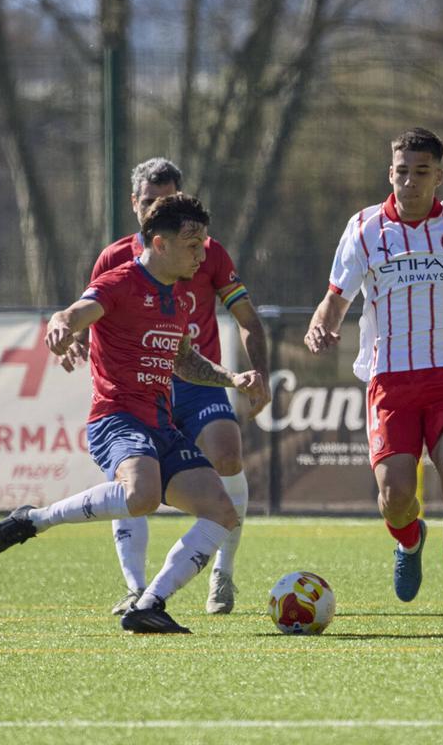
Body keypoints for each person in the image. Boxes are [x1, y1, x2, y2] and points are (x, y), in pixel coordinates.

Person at [0, 194, 265, 634]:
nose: (202, 253)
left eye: (204, 244)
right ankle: (32, 520)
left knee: (222, 512)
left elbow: (185, 361)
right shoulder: (121, 282)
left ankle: (149, 605)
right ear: (160, 243)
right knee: (142, 495)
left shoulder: (180, 299)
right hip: (116, 417)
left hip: (160, 423)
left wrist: (233, 378)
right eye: (193, 244)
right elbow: (76, 312)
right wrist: (61, 325)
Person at [304, 127, 443, 632]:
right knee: (395, 496)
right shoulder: (364, 228)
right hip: (391, 381)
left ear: (438, 176)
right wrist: (323, 325)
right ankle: (409, 538)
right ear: (390, 173)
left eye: (421, 172)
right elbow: (337, 295)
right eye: (401, 172)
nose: (409, 182)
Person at [61, 158, 270, 615]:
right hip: (133, 388)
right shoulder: (115, 260)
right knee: (135, 485)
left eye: (169, 198)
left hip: (195, 380)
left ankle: (223, 572)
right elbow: (86, 309)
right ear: (136, 206)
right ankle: (138, 589)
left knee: (229, 453)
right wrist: (72, 337)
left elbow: (248, 319)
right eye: (152, 201)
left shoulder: (206, 250)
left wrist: (254, 375)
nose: (161, 206)